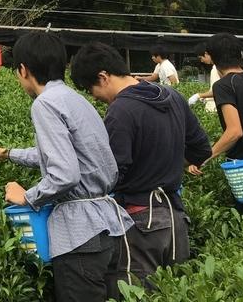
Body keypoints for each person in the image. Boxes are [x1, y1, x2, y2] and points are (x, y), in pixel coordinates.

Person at [0, 32, 131, 302]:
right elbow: (66, 155)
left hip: (79, 235)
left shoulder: (44, 104)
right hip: (108, 228)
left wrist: (28, 196)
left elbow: (65, 174)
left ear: (23, 69)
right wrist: (8, 153)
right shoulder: (75, 99)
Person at [71, 42, 211, 285]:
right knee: (175, 301)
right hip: (176, 219)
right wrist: (167, 162)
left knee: (134, 301)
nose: (94, 97)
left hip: (141, 223)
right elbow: (201, 150)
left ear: (103, 77)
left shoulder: (121, 110)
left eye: (90, 89)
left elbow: (113, 173)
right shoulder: (172, 96)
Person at [188, 34, 243, 210]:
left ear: (212, 56)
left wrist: (204, 157)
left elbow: (235, 131)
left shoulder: (223, 85)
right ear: (240, 54)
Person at [187, 42, 220, 112]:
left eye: (201, 58)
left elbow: (216, 91)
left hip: (215, 108)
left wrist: (199, 95)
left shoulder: (216, 68)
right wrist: (205, 97)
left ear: (206, 54)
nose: (201, 60)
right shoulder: (218, 66)